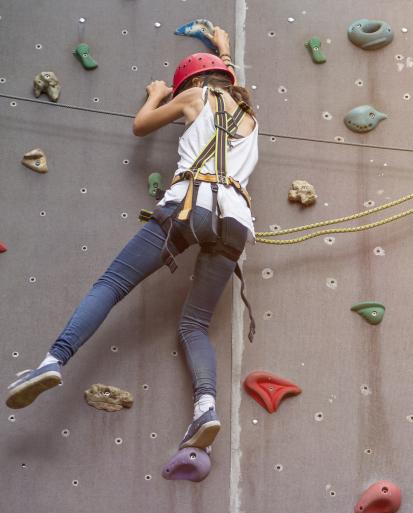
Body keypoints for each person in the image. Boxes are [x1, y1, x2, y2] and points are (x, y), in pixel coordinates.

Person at [5, 27, 259, 451]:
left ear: (192, 84)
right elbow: (224, 79)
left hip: (187, 206)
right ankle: (205, 410)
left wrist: (158, 94)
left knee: (111, 285)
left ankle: (52, 362)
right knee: (195, 325)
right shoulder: (251, 117)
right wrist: (225, 51)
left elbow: (142, 126)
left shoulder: (192, 97)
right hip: (236, 221)